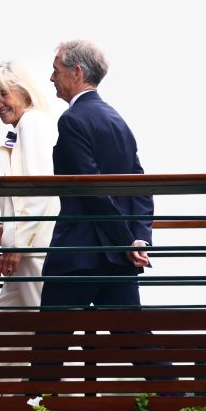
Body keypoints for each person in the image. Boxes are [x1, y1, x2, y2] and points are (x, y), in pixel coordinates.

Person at [40, 39, 153, 305]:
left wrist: (127, 241)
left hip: (79, 255)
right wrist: (139, 239)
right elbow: (141, 185)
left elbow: (91, 189)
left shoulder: (72, 120)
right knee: (132, 341)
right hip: (118, 260)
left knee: (51, 341)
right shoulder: (117, 121)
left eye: (56, 70)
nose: (51, 77)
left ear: (76, 72)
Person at [0, 61, 59, 309]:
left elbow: (40, 191)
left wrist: (18, 243)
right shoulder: (27, 127)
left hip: (33, 252)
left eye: (3, 95)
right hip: (25, 250)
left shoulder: (32, 123)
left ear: (24, 92)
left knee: (48, 329)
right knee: (1, 331)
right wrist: (7, 233)